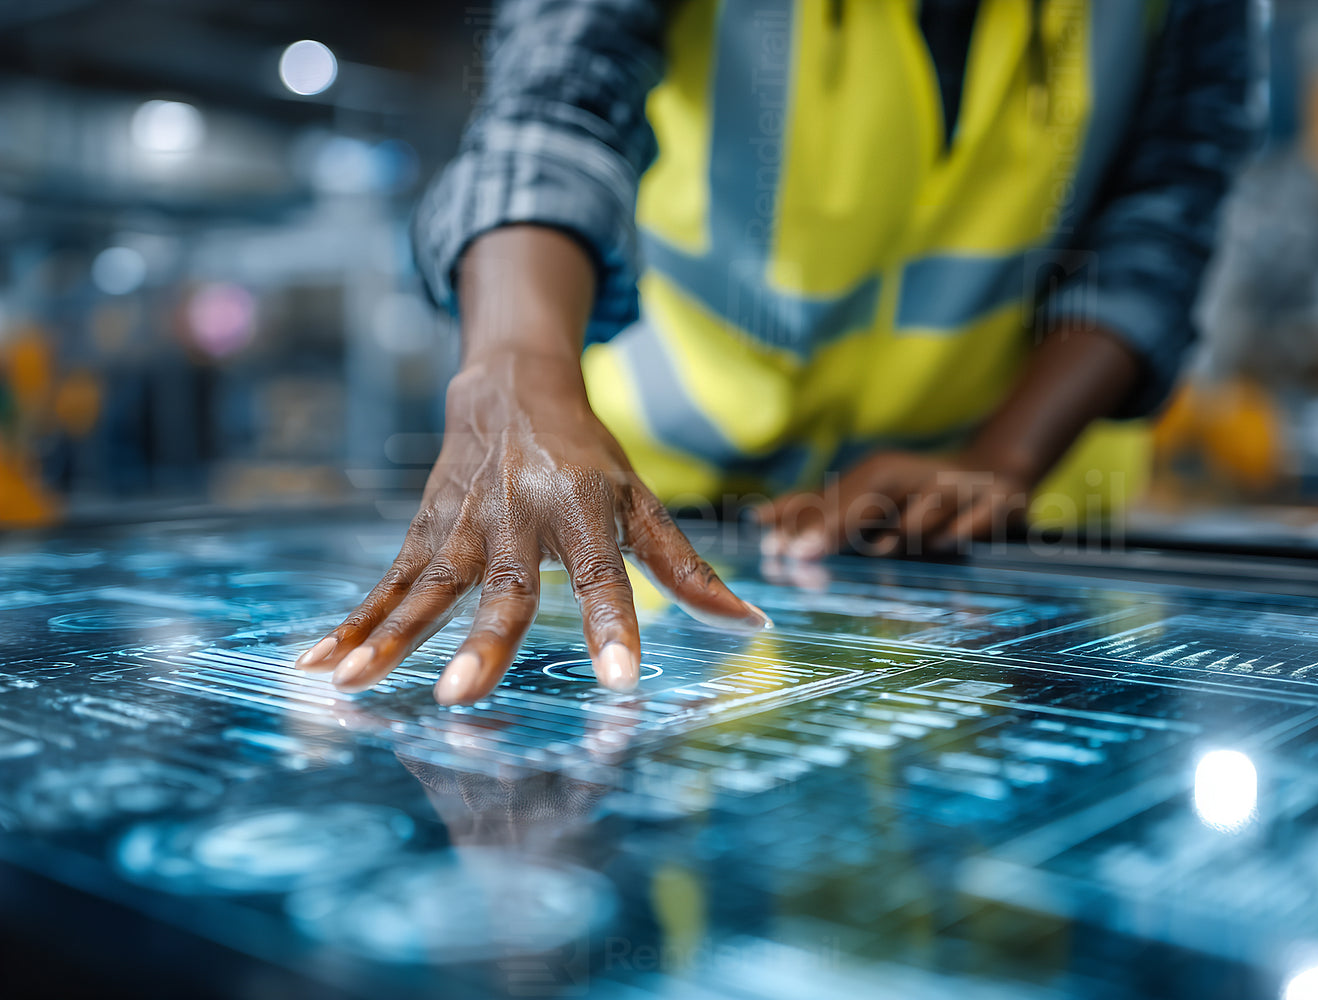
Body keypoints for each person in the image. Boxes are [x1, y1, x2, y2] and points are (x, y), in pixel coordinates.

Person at [296, 0, 1251, 703]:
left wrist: (1003, 457)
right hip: (658, 519)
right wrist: (512, 369)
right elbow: (553, 110)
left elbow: (1158, 219)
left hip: (977, 525)